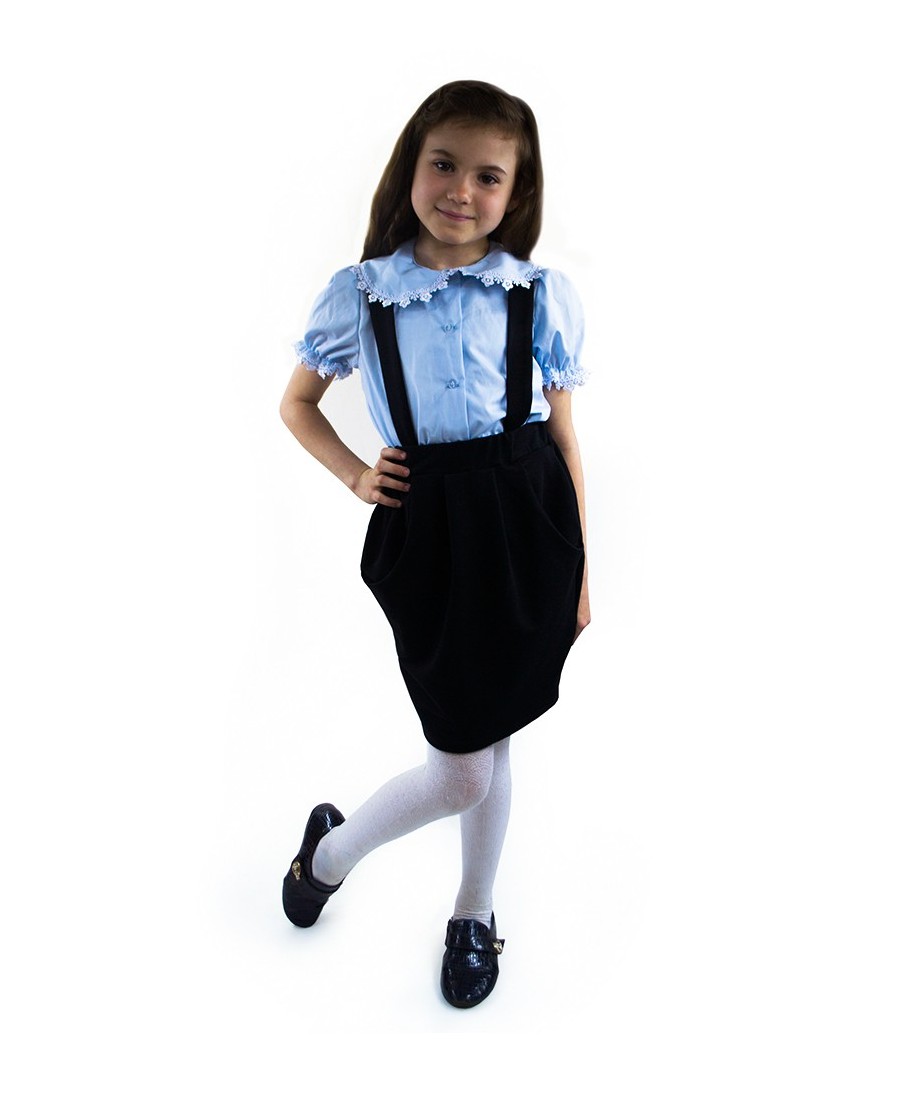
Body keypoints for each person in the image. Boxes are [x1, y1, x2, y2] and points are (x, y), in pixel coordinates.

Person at [279, 79, 590, 1009]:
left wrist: (580, 567)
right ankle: (330, 855)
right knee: (461, 767)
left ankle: (473, 910)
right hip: (433, 535)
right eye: (444, 164)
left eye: (488, 176)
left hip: (527, 523)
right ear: (410, 167)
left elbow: (565, 436)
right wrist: (355, 474)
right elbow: (296, 404)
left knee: (492, 736)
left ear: (517, 190)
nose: (462, 190)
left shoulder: (537, 292)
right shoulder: (364, 293)